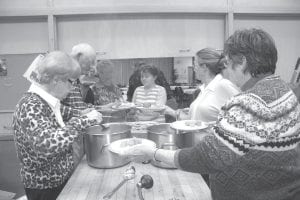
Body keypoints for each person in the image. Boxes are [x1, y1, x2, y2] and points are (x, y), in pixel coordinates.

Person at [122, 28, 300, 200]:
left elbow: (209, 157)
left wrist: (154, 153)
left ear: (243, 62)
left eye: (228, 63)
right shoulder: (285, 91)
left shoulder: (250, 102)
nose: (225, 70)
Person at [12, 51, 102, 200]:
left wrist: (82, 113)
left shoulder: (47, 102)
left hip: (59, 181)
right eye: (71, 82)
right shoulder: (30, 105)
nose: (73, 88)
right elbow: (47, 144)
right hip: (45, 187)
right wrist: (84, 121)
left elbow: (65, 112)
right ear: (56, 80)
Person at [165, 48, 240, 122]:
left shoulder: (223, 85)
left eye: (195, 65)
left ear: (204, 67)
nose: (194, 69)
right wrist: (170, 111)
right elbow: (194, 121)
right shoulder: (203, 89)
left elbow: (243, 115)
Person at [61, 43, 97, 115]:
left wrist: (102, 108)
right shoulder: (63, 76)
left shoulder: (75, 79)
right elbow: (55, 107)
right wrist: (79, 113)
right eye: (89, 62)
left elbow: (78, 105)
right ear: (78, 57)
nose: (91, 67)